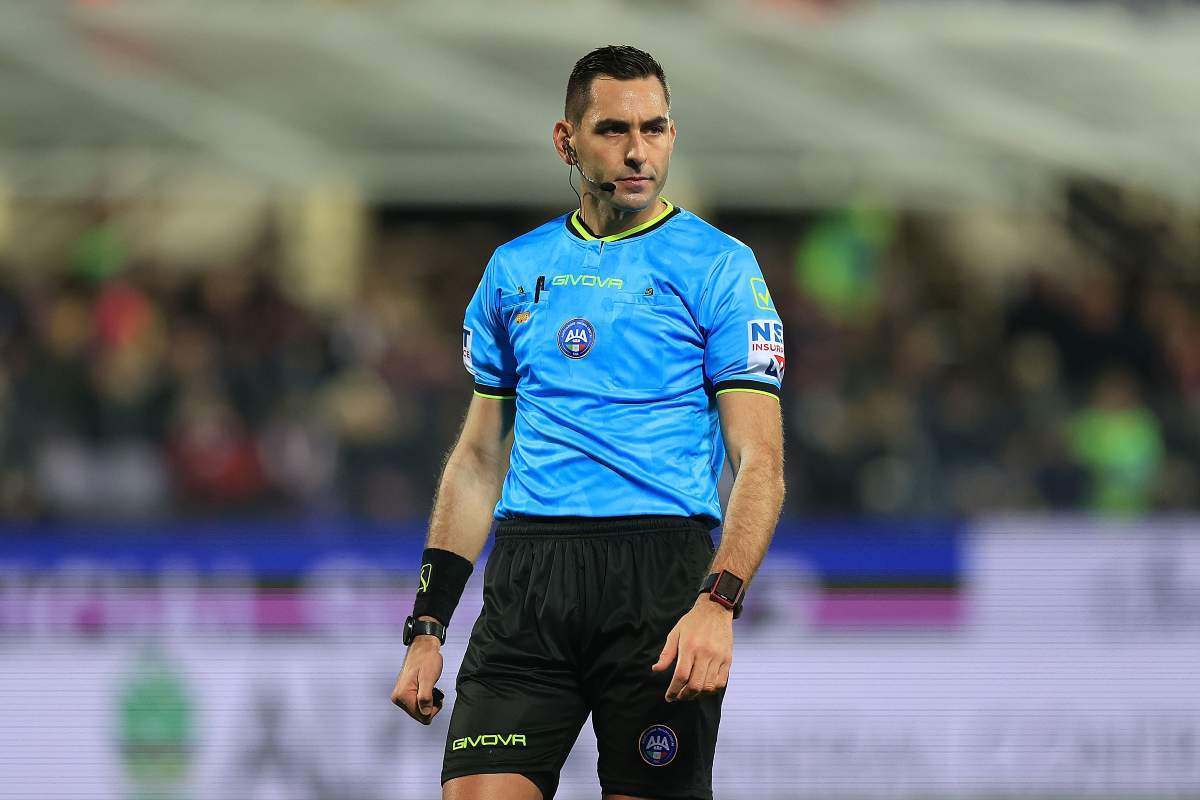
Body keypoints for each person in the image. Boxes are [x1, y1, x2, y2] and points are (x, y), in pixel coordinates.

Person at [390, 45, 785, 800]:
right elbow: (477, 461)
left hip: (659, 579)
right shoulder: (513, 269)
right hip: (529, 578)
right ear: (566, 141)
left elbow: (759, 462)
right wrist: (428, 626)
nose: (639, 150)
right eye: (613, 129)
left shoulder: (720, 266)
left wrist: (719, 601)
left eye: (656, 128)